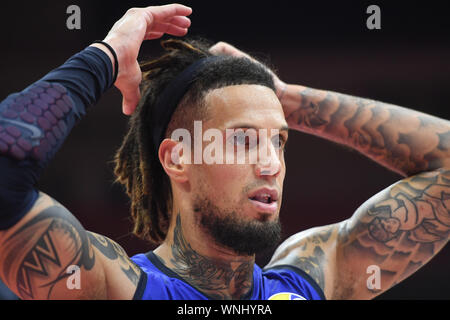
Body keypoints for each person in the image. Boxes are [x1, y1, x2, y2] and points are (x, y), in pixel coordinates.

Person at [0, 3, 448, 300]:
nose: (271, 163)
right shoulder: (113, 287)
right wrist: (107, 55)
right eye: (243, 140)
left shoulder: (309, 281)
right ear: (178, 158)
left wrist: (286, 97)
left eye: (279, 140)